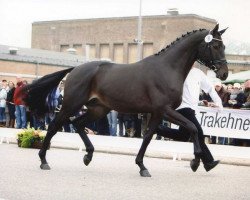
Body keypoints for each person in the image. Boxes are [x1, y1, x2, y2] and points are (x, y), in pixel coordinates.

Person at [156, 66, 223, 172]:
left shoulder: (198, 73)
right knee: (198, 132)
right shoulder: (177, 71)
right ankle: (208, 162)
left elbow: (210, 88)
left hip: (192, 109)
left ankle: (157, 129)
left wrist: (218, 103)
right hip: (181, 107)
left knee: (183, 136)